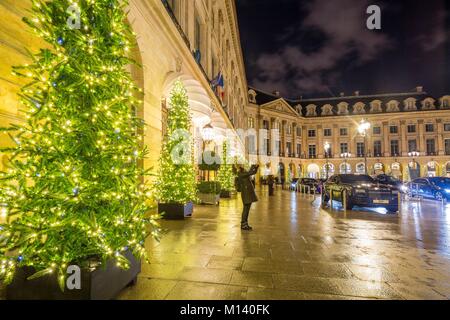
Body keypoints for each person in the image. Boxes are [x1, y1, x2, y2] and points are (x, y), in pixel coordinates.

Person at [236, 164, 259, 231]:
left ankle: (245, 223)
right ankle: (243, 224)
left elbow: (253, 172)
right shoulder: (240, 173)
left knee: (247, 209)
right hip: (245, 193)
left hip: (247, 193)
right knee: (246, 209)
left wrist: (256, 167)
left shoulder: (243, 172)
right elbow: (250, 172)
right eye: (242, 165)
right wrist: (252, 166)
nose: (244, 166)